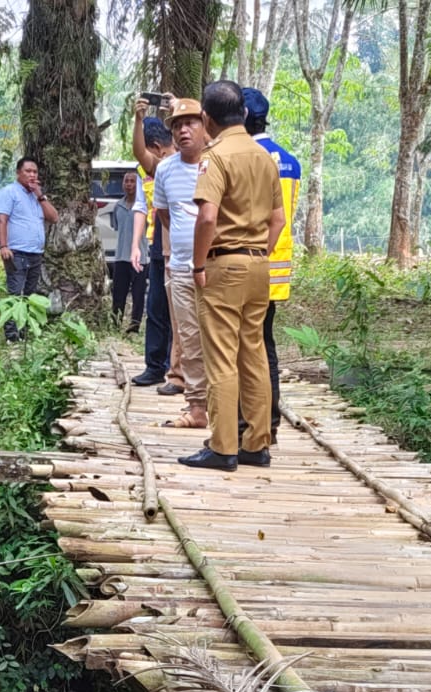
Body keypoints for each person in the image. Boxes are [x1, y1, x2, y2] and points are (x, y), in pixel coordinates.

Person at [182, 79, 285, 471]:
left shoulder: (216, 156)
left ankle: (223, 445)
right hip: (260, 265)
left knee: (222, 357)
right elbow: (277, 219)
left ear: (206, 119)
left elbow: (208, 216)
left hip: (223, 266)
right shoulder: (263, 157)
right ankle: (256, 444)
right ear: (242, 113)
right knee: (254, 353)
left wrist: (198, 264)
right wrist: (258, 250)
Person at [242, 86, 299, 443]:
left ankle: (253, 424)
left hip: (253, 262)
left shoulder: (249, 156)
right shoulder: (289, 159)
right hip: (278, 266)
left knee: (247, 348)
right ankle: (271, 423)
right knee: (267, 344)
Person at [153, 98, 212, 430]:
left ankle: (227, 407)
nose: (183, 130)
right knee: (188, 339)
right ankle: (196, 408)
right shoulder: (165, 169)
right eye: (177, 125)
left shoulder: (218, 163)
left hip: (215, 267)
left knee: (217, 338)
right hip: (180, 268)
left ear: (205, 126)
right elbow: (165, 215)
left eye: (190, 123)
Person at [129, 110, 176, 386]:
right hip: (159, 241)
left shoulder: (191, 161)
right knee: (156, 305)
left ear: (157, 147)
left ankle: (176, 367)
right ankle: (155, 365)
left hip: (185, 244)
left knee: (180, 310)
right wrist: (136, 245)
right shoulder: (153, 168)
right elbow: (140, 206)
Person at [0, 156, 57, 341]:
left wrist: (40, 195)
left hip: (35, 254)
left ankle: (24, 332)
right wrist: (3, 246)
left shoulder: (37, 197)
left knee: (30, 295)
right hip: (16, 253)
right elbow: (1, 219)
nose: (32, 175)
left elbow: (54, 217)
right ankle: (12, 336)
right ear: (18, 173)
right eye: (28, 171)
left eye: (35, 172)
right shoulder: (9, 193)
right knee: (15, 294)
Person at [109, 171, 146, 331]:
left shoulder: (143, 206)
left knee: (138, 294)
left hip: (141, 257)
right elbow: (116, 227)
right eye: (127, 181)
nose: (129, 184)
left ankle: (135, 325)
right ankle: (115, 322)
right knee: (119, 292)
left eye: (133, 181)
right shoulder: (119, 206)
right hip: (121, 256)